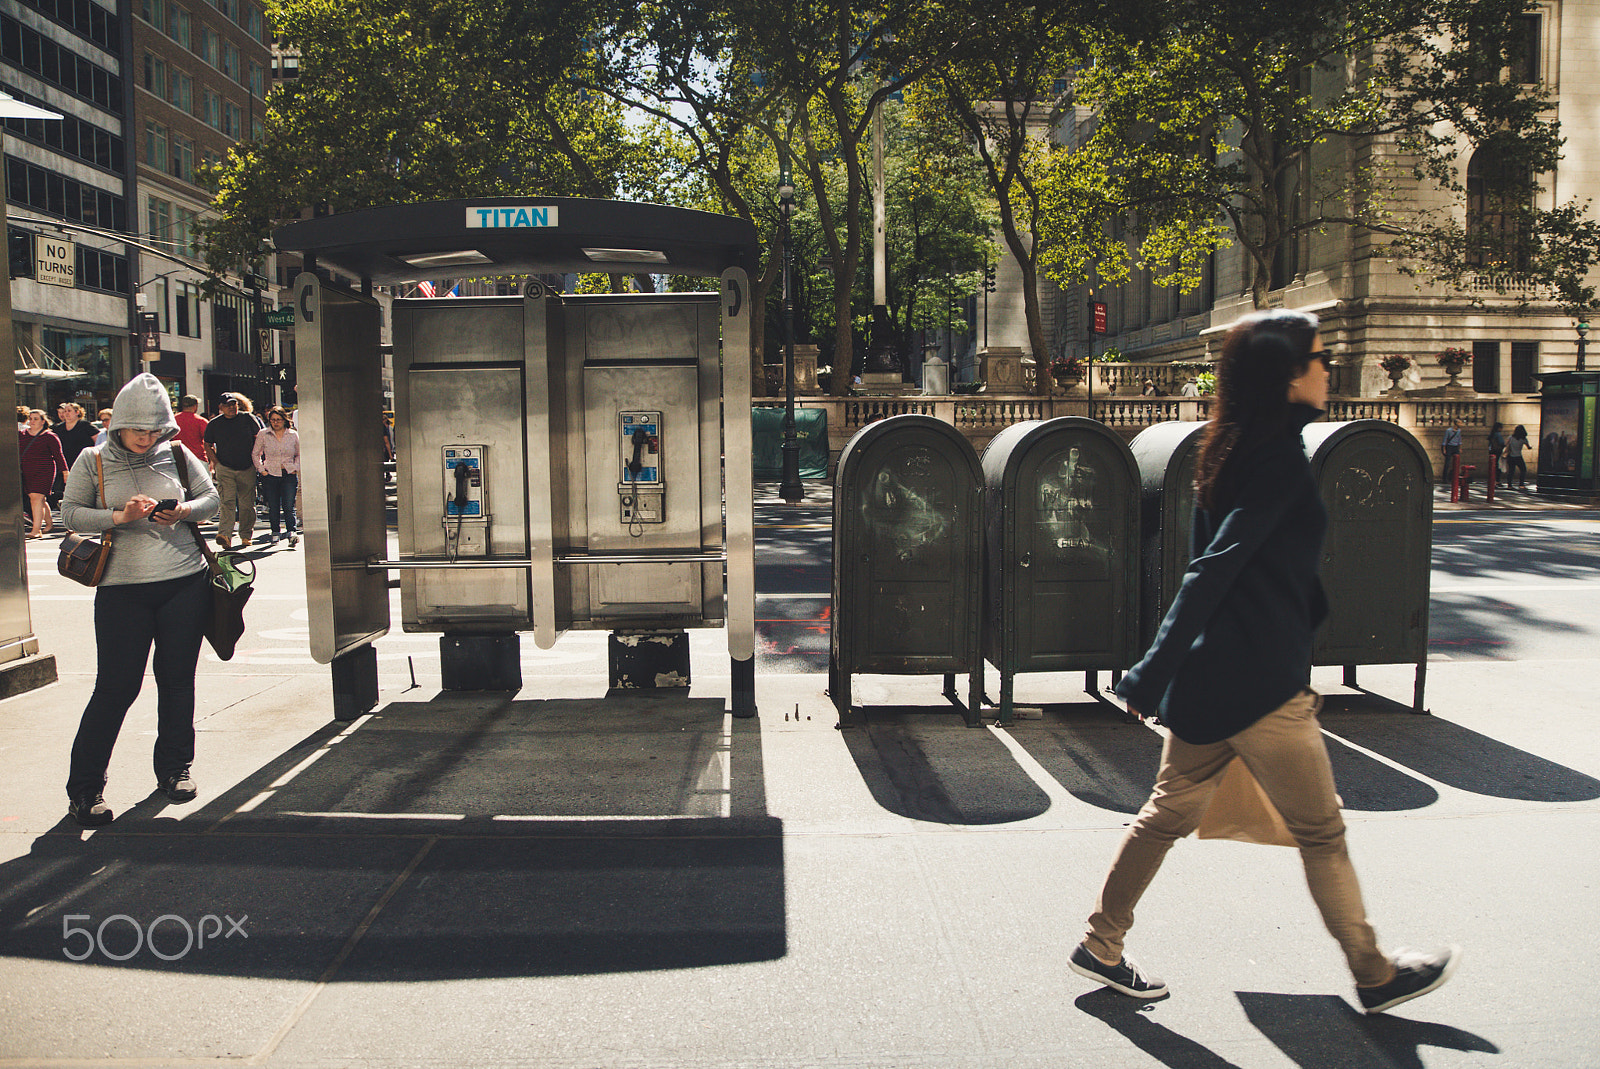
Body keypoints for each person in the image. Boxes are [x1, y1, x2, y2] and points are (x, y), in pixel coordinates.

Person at [1068, 310, 1458, 1016]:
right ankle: (1374, 972)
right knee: (1322, 833)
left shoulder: (1228, 448)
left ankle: (1101, 944)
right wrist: (1148, 671)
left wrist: (1165, 671)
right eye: (1316, 357)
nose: (1327, 368)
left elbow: (1227, 565)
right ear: (1284, 375)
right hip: (1262, 690)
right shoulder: (1276, 458)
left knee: (1162, 816)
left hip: (1211, 681)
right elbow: (1213, 569)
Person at [59, 373, 220, 827]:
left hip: (184, 581)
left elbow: (212, 499)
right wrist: (119, 515)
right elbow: (69, 514)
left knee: (176, 681)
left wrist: (183, 511)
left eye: (154, 430)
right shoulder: (93, 460)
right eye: (138, 430)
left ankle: (174, 770)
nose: (147, 439)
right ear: (118, 426)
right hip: (121, 589)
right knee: (115, 688)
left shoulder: (177, 453)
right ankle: (85, 789)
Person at [203, 393, 263, 548]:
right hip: (225, 467)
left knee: (246, 504)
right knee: (227, 501)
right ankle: (225, 534)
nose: (232, 407)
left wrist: (257, 459)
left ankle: (245, 535)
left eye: (234, 404)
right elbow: (207, 444)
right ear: (221, 407)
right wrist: (216, 463)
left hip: (247, 467)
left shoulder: (248, 419)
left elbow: (259, 438)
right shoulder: (215, 424)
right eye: (228, 405)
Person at [252, 405, 300, 547]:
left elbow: (299, 453)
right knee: (273, 505)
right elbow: (256, 453)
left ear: (284, 420)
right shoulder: (264, 434)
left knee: (288, 505)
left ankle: (291, 531)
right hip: (270, 473)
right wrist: (261, 469)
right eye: (273, 420)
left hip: (288, 473)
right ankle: (275, 532)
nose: (276, 422)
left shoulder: (292, 434)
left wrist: (295, 467)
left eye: (278, 419)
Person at [19, 409, 68, 538]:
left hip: (44, 471)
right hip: (28, 471)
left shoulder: (50, 436)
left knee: (36, 498)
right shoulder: (21, 434)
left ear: (43, 421)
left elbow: (59, 455)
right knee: (39, 498)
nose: (32, 421)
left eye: (36, 418)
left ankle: (36, 530)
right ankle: (49, 523)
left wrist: (65, 472)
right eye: (30, 418)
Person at [50, 403, 98, 509]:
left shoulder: (85, 426)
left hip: (83, 462)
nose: (66, 414)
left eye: (69, 411)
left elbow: (98, 442)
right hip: (65, 463)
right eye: (64, 411)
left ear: (77, 412)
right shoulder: (59, 428)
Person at [173, 394, 208, 464]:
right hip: (198, 458)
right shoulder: (201, 421)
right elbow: (209, 441)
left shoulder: (173, 419)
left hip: (178, 458)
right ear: (195, 406)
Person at [1505, 424, 1531, 490]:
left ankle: (1509, 485)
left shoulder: (1510, 437)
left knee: (1511, 471)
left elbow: (1505, 444)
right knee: (1523, 470)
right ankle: (1521, 484)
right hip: (1518, 456)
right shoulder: (1523, 439)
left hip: (1510, 456)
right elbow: (1528, 447)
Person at [1442, 416, 1462, 485]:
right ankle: (1445, 478)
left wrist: (1459, 448)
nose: (1461, 424)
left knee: (1456, 463)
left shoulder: (1459, 431)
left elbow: (1459, 439)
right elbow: (1445, 439)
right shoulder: (1448, 430)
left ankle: (1454, 477)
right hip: (1449, 446)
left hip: (1456, 447)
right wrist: (1444, 449)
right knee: (1447, 463)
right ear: (1456, 423)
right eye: (1460, 423)